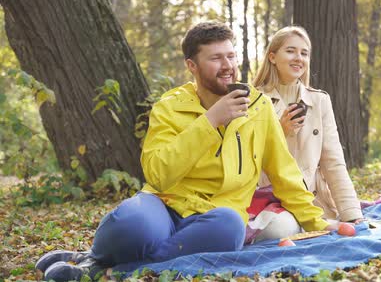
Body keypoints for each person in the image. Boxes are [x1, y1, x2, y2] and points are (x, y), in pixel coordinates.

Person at [36, 21, 337, 281]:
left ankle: (103, 268)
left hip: (216, 217)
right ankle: (98, 256)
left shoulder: (259, 108)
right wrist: (210, 121)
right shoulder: (170, 105)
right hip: (165, 204)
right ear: (191, 66)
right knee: (132, 224)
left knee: (230, 228)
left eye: (231, 55)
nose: (228, 66)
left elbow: (284, 174)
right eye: (216, 58)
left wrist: (318, 223)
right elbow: (158, 173)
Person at [247, 26, 363, 242]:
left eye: (304, 53)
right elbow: (245, 161)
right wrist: (279, 132)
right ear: (272, 56)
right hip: (269, 199)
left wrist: (351, 214)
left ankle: (313, 225)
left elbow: (333, 163)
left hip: (312, 202)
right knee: (279, 230)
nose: (298, 58)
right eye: (290, 51)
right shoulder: (252, 101)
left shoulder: (319, 101)